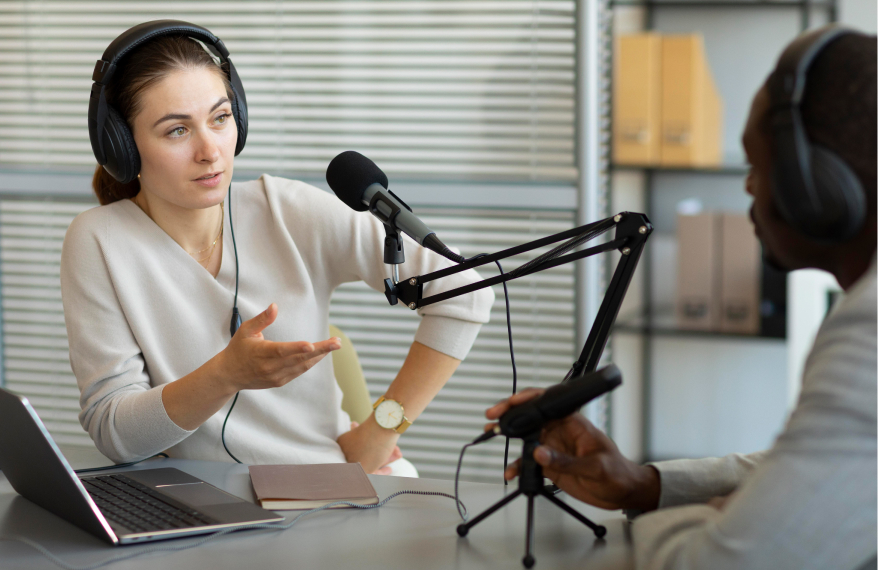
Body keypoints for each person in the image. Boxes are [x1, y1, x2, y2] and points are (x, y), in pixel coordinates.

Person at [487, 26, 877, 570]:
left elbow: (721, 563)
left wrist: (722, 519)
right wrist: (644, 485)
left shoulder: (867, 329)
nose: (748, 188)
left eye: (757, 167)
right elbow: (815, 466)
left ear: (816, 190)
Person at [61, 22, 494, 476]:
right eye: (177, 131)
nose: (210, 151)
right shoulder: (99, 240)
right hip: (191, 503)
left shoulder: (287, 210)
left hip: (324, 487)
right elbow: (115, 435)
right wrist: (224, 375)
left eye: (220, 118)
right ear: (122, 147)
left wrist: (381, 429)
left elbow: (466, 292)